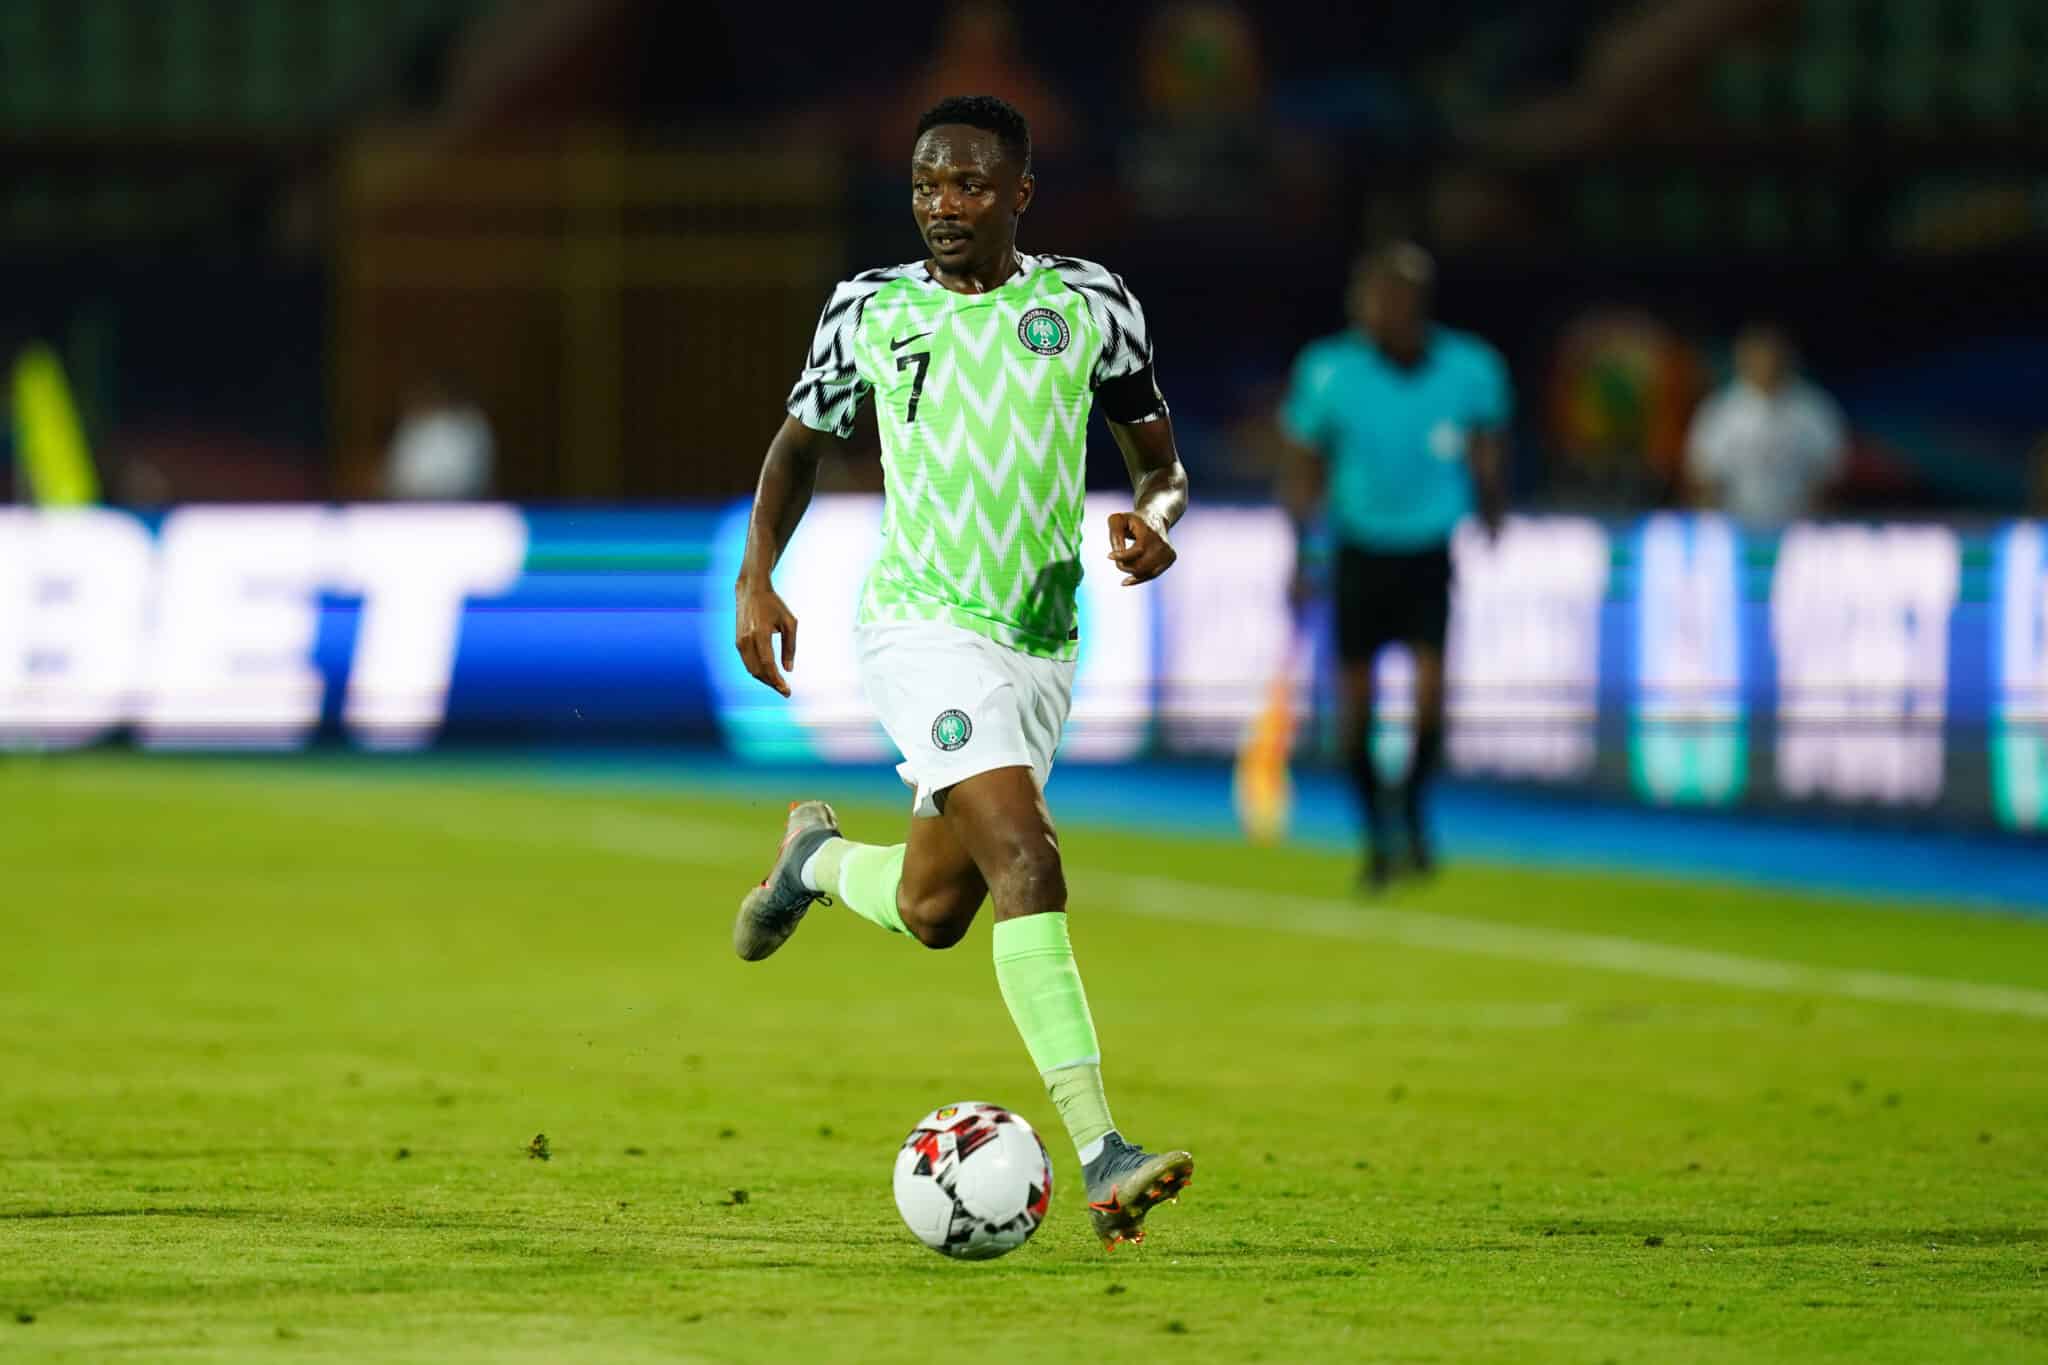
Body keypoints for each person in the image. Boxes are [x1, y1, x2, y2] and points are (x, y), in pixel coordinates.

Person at [731, 96, 1194, 1249]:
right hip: (920, 626)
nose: (943, 206)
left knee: (936, 909)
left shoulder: (1087, 305)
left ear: (1018, 195)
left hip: (1040, 644)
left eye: (970, 185)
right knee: (1026, 857)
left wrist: (1154, 519)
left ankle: (812, 862)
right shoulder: (869, 310)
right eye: (927, 185)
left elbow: (1160, 463)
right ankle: (1103, 1152)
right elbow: (798, 444)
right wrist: (756, 575)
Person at [1278, 242, 1511, 890]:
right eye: (1368, 297)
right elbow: (1304, 466)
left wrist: (1492, 504)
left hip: (1427, 552)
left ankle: (1410, 807)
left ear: (1415, 303)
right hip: (1359, 550)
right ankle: (1376, 834)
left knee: (1431, 702)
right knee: (1355, 711)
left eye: (1387, 297)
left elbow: (1487, 443)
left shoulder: (1469, 368)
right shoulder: (1329, 369)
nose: (1373, 309)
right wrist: (1301, 554)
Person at [1685, 325, 1847, 529]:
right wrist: (1713, 526)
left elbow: (1830, 478)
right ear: (1741, 358)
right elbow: (1702, 478)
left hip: (1798, 527)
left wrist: (1814, 525)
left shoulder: (1813, 409)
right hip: (1736, 526)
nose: (1766, 362)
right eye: (1757, 355)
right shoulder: (1719, 411)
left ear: (1787, 357)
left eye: (1772, 354)